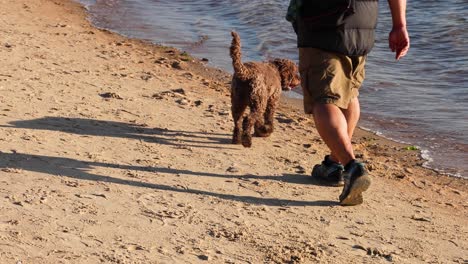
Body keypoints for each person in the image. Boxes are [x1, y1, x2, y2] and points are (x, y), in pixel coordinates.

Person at [286, 0, 410, 205]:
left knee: (324, 98)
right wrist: (399, 25)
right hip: (364, 22)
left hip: (324, 21)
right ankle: (335, 164)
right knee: (349, 93)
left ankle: (351, 167)